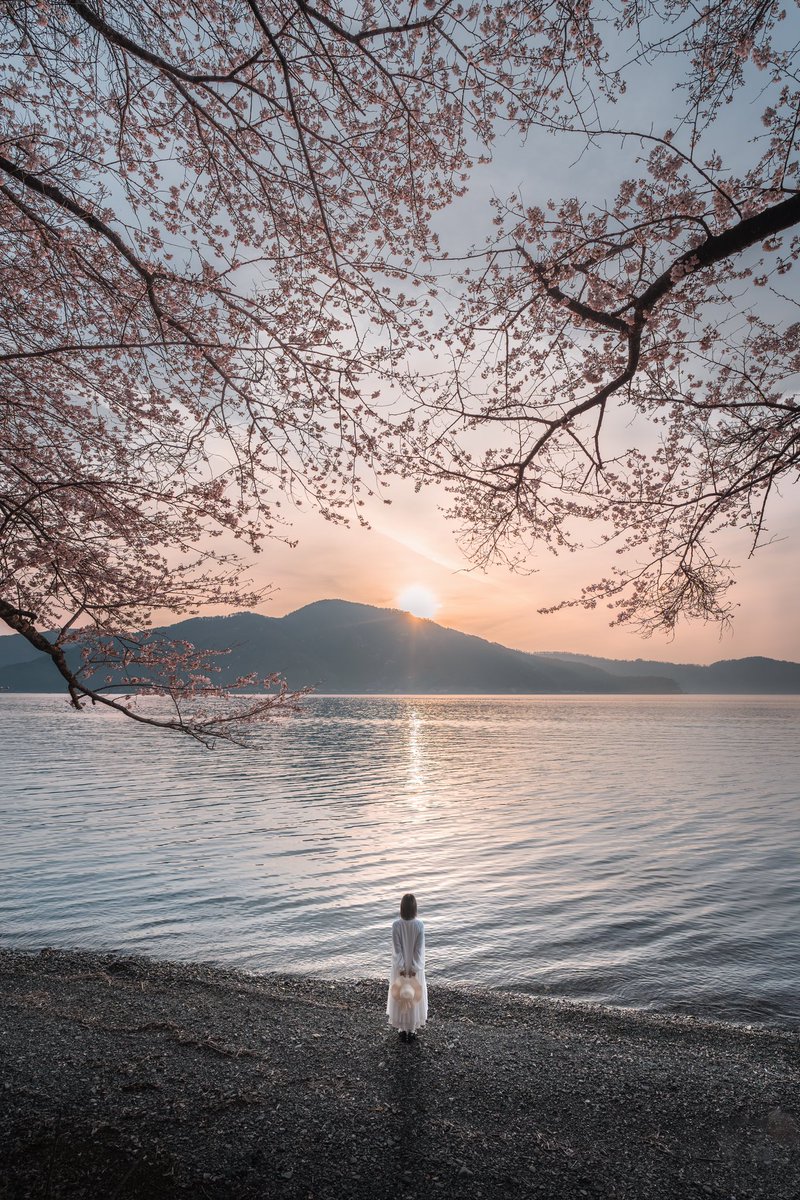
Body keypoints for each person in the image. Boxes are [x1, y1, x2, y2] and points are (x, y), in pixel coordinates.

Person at [386, 892, 427, 1042]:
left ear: (401, 908)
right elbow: (419, 949)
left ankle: (402, 1028)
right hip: (415, 967)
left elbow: (397, 949)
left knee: (401, 994)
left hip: (400, 967)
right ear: (415, 908)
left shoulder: (396, 925)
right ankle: (412, 1029)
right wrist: (415, 968)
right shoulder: (419, 925)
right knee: (414, 995)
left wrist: (402, 968)